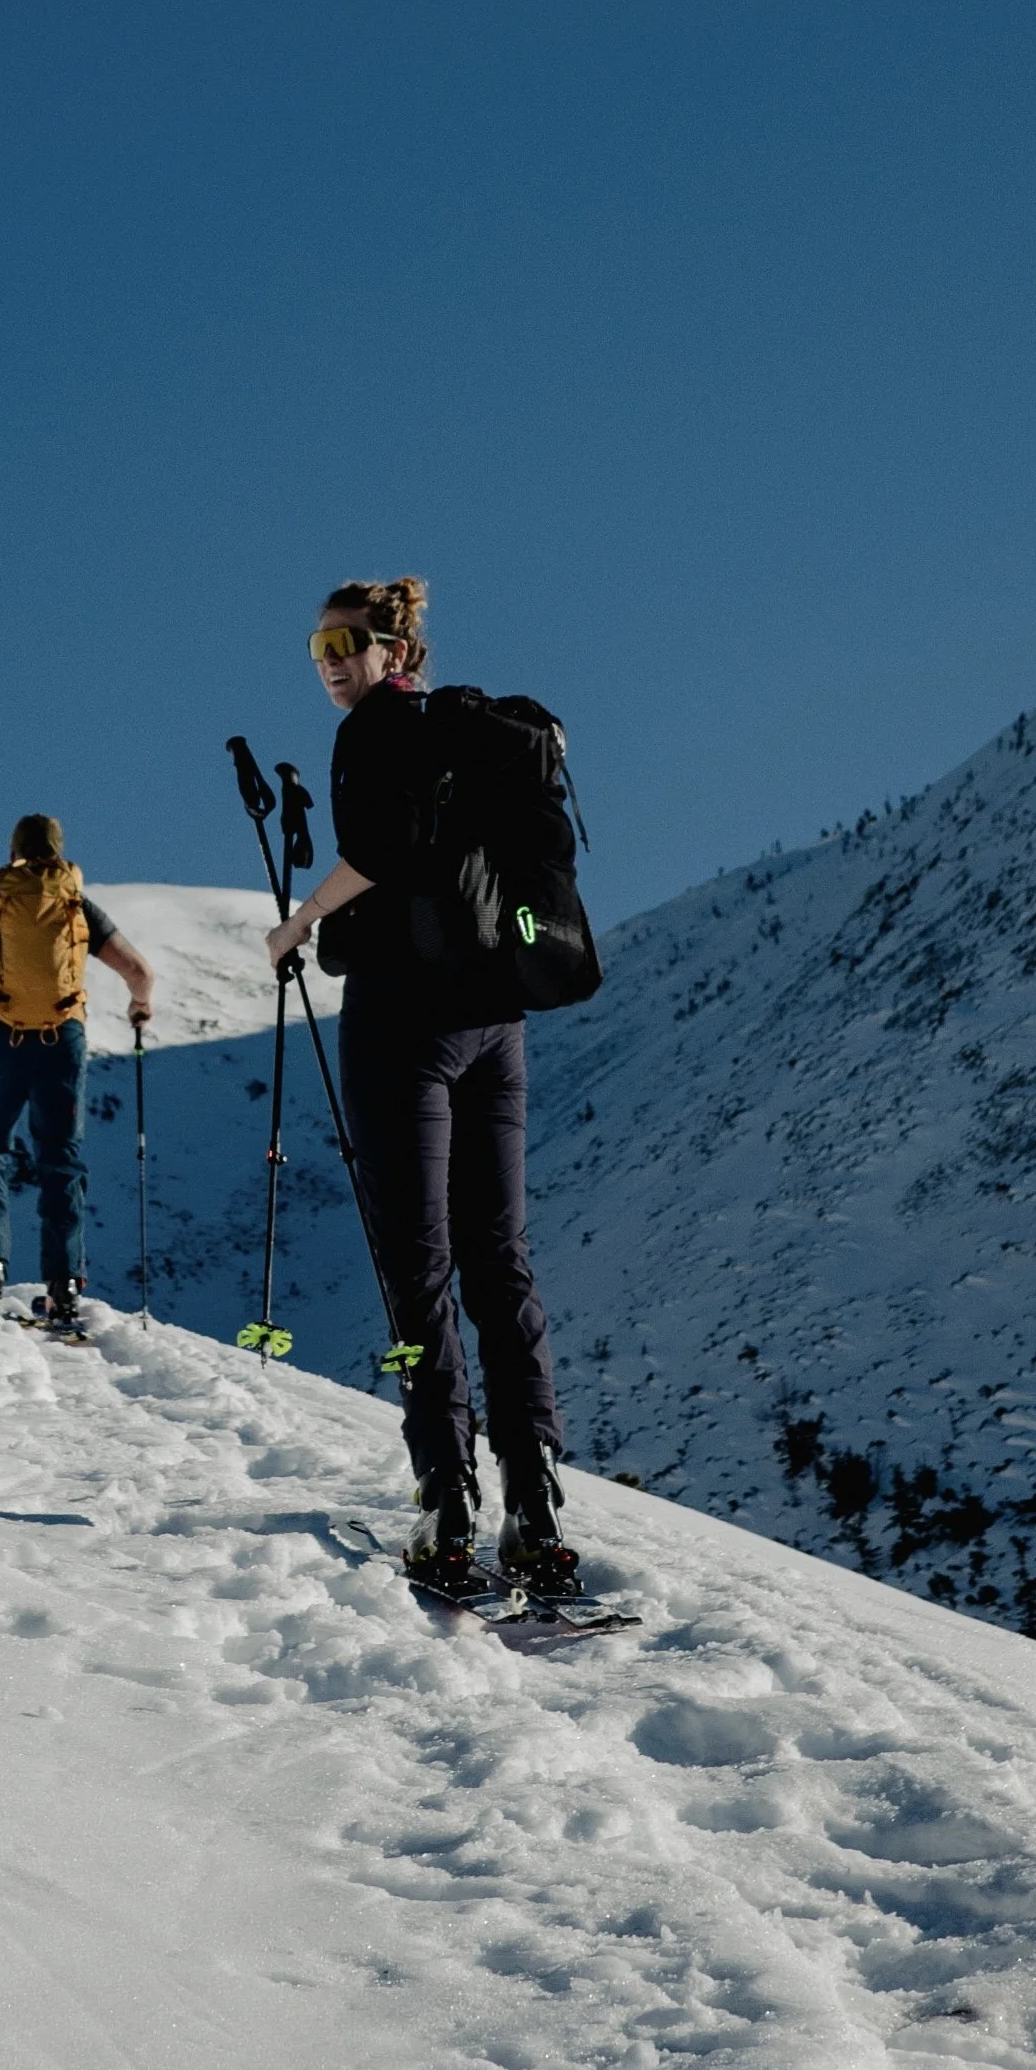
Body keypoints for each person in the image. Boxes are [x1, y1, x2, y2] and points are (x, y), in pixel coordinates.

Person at [264, 578, 578, 1598]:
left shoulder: (377, 729)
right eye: (318, 644)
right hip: (497, 1023)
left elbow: (382, 849)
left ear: (395, 648)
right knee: (501, 1263)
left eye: (348, 642)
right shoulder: (476, 732)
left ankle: (446, 1502)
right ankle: (533, 1506)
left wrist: (300, 922)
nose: (329, 660)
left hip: (404, 1021)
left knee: (420, 1267)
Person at [0, 818, 153, 1331]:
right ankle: (64, 1289)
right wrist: (139, 1008)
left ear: (14, 850)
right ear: (59, 852)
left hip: (4, 1039)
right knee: (60, 1160)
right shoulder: (76, 905)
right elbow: (138, 972)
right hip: (62, 1040)